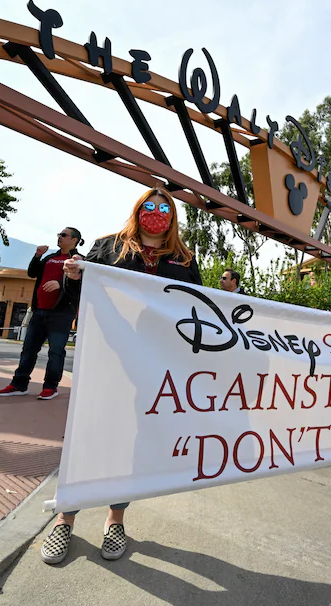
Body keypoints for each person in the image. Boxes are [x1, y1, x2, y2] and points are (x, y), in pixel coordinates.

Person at [40, 186, 201, 566]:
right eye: (150, 205)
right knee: (89, 434)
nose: (156, 212)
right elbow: (80, 295)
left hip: (152, 361)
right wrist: (75, 277)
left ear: (173, 216)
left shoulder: (183, 258)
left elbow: (196, 306)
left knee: (131, 439)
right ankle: (65, 518)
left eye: (164, 207)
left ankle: (116, 520)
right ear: (138, 209)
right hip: (105, 356)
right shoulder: (107, 247)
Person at [0, 228, 84, 400]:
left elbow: (82, 283)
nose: (59, 237)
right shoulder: (50, 258)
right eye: (59, 234)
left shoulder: (79, 261)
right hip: (39, 311)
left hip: (61, 313)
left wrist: (60, 284)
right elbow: (32, 273)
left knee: (56, 352)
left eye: (64, 235)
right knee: (28, 349)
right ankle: (19, 385)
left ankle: (50, 387)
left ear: (74, 240)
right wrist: (37, 256)